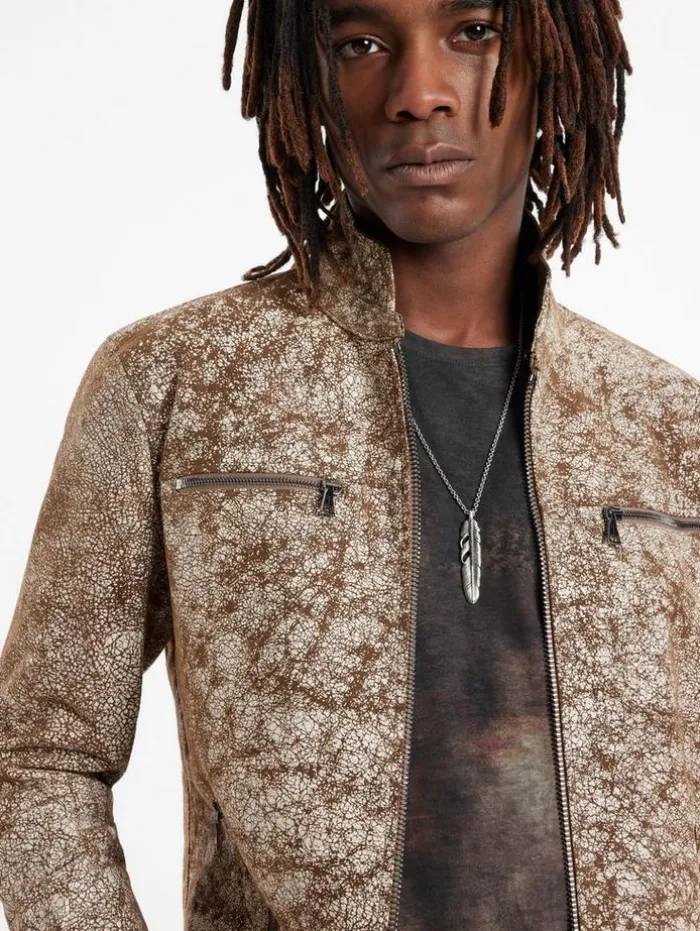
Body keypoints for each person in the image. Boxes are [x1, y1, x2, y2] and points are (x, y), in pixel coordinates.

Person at [1, 0, 699, 928]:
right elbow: (40, 751)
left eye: (475, 32)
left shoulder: (669, 425)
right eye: (360, 44)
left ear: (556, 59)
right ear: (308, 79)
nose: (419, 93)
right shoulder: (175, 381)